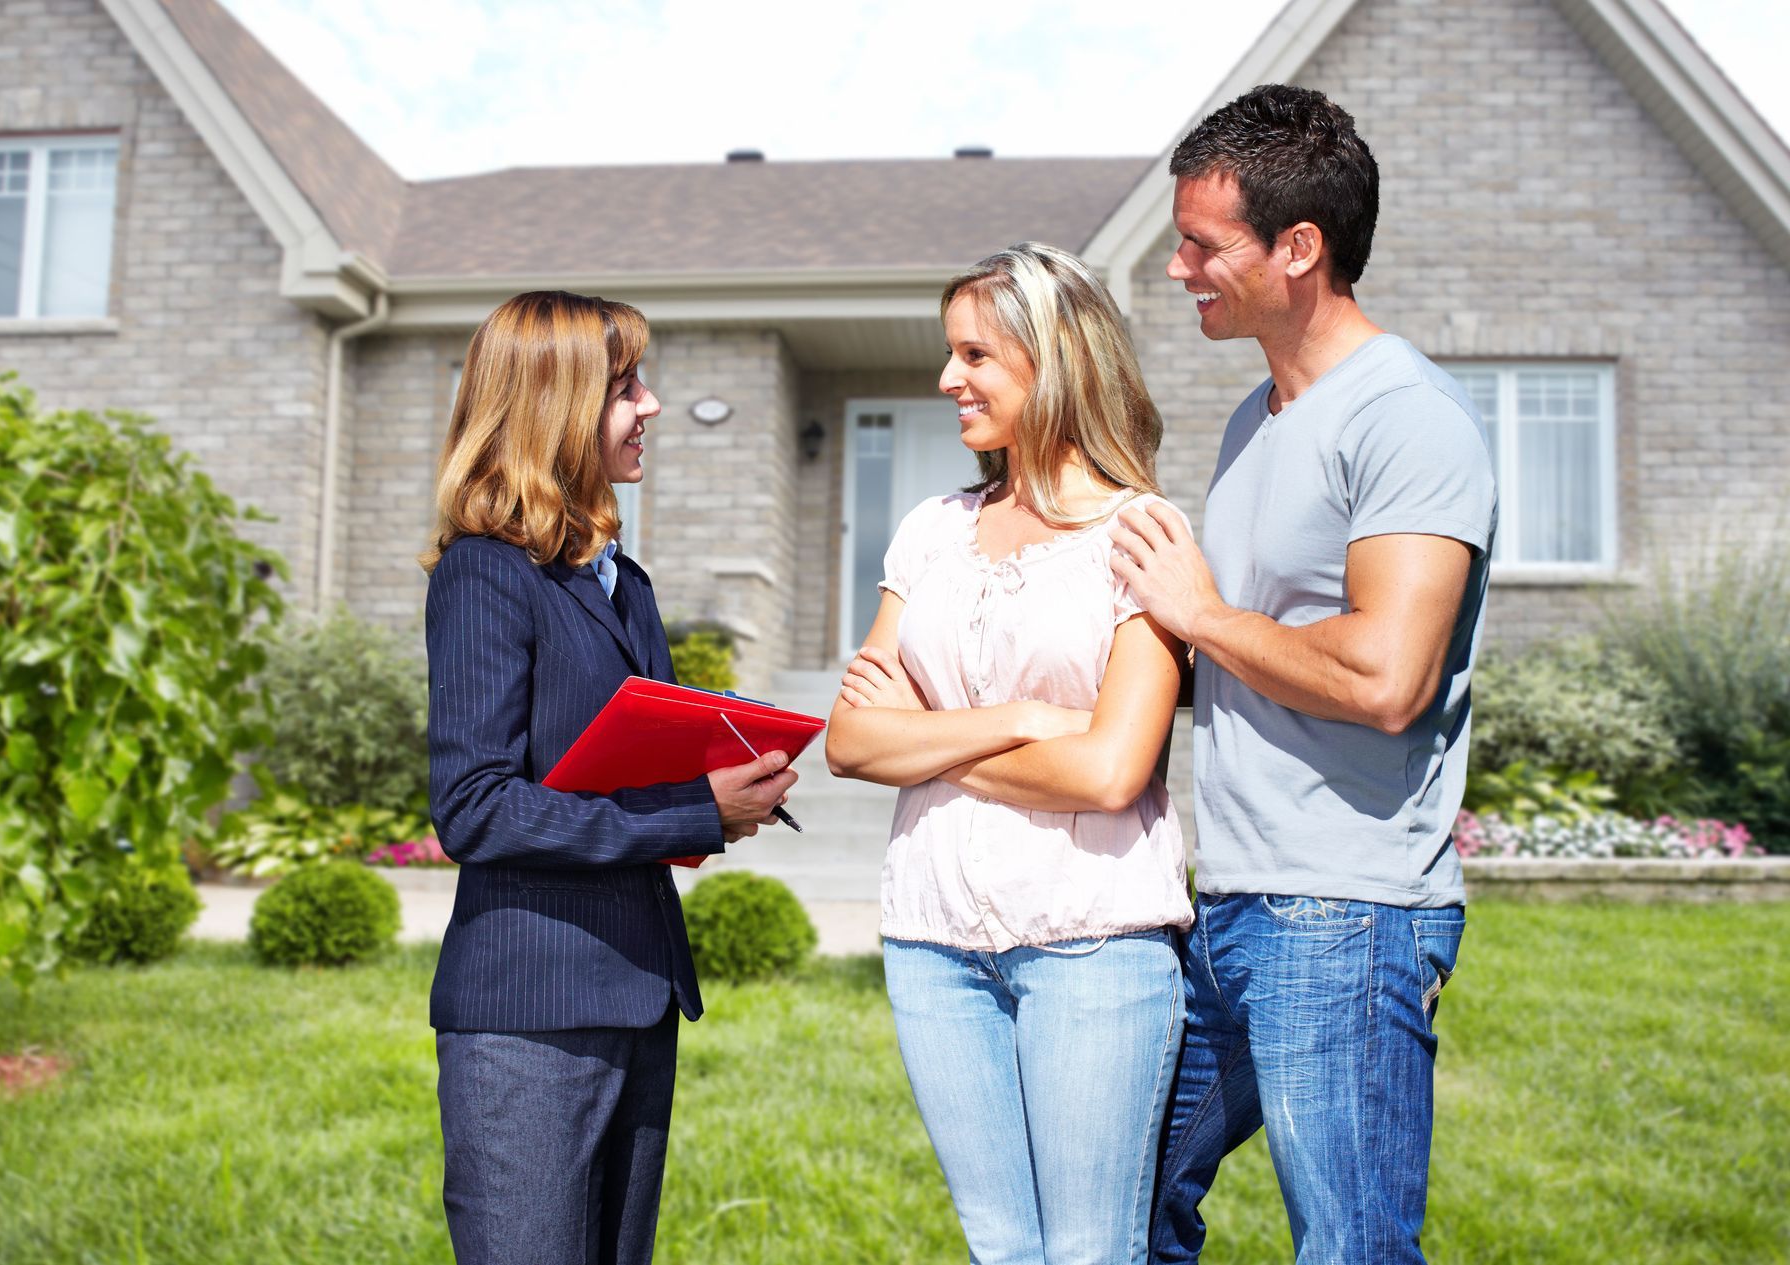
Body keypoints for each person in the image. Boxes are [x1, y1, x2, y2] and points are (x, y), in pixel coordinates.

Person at [1108, 85, 1498, 1264]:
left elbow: (1388, 674)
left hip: (1346, 907)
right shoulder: (1253, 419)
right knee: (1120, 1202)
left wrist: (1201, 612)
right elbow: (1234, 643)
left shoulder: (1409, 419)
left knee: (1351, 1246)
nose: (1179, 268)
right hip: (1224, 902)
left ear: (1298, 247)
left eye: (1201, 243)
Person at [826, 242, 1192, 1265]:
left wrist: (927, 740)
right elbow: (852, 738)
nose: (950, 379)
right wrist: (1024, 715)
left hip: (1095, 943)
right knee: (999, 1246)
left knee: (1088, 1251)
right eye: (952, 354)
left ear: (1057, 359)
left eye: (976, 355)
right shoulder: (932, 532)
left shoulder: (1141, 537)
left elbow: (1111, 771)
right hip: (932, 942)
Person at [420, 290, 797, 1265]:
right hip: (529, 1013)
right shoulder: (485, 572)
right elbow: (474, 805)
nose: (653, 407)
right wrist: (690, 812)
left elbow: (628, 764)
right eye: (626, 388)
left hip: (636, 992)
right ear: (555, 408)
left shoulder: (623, 580)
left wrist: (716, 791)